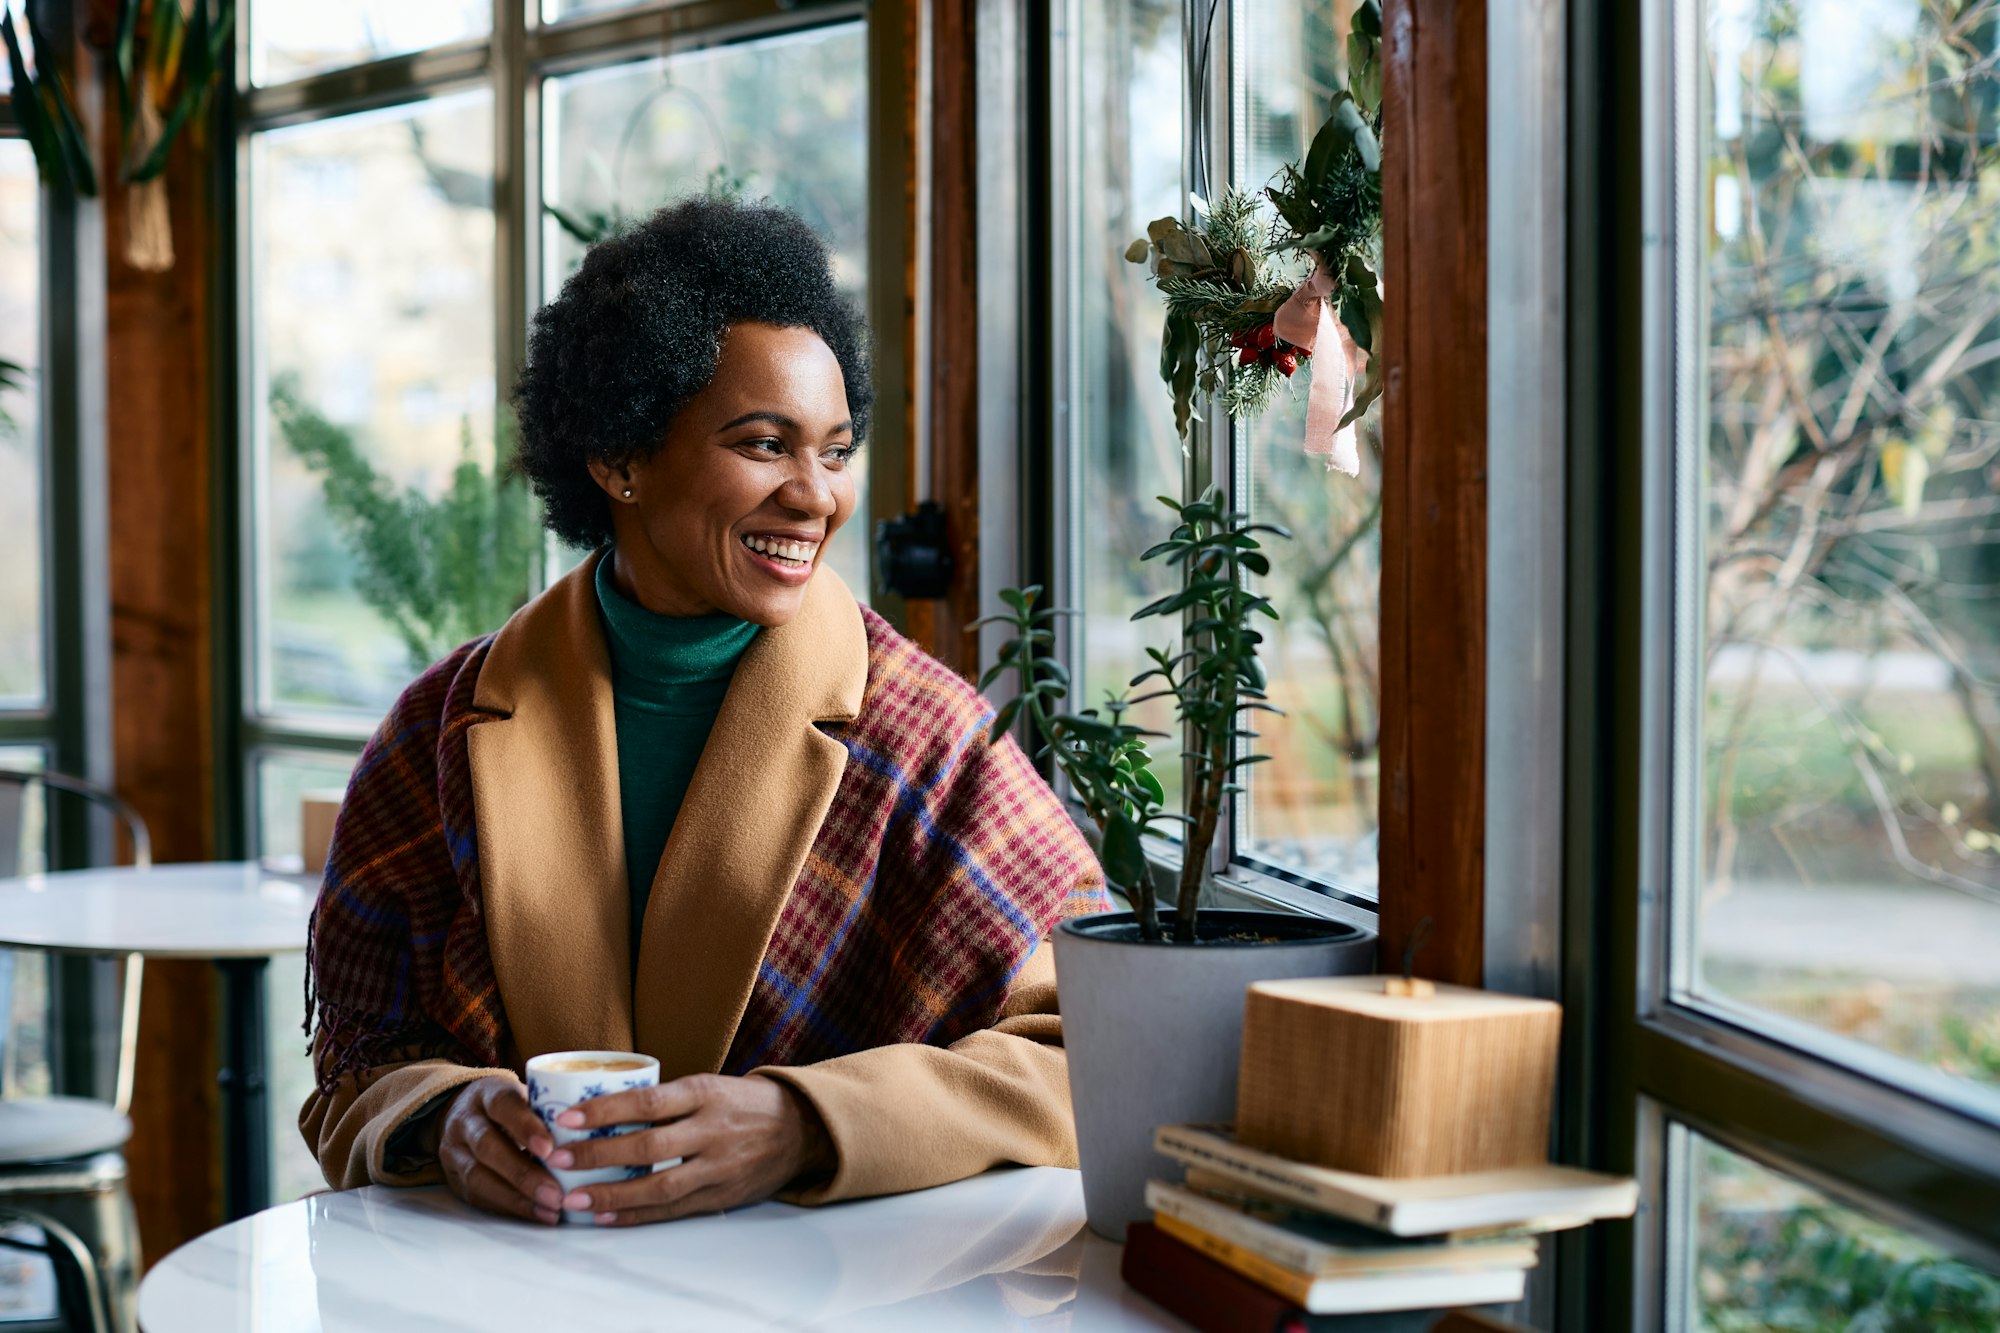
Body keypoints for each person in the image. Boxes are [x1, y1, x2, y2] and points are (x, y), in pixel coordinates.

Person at [301, 196, 1107, 1227]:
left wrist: (803, 1122)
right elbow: (357, 1065)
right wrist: (440, 1114)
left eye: (836, 449)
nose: (814, 495)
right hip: (519, 1293)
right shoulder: (438, 731)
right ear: (619, 458)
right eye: (766, 444)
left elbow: (1084, 1049)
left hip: (825, 1301)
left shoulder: (923, 736)